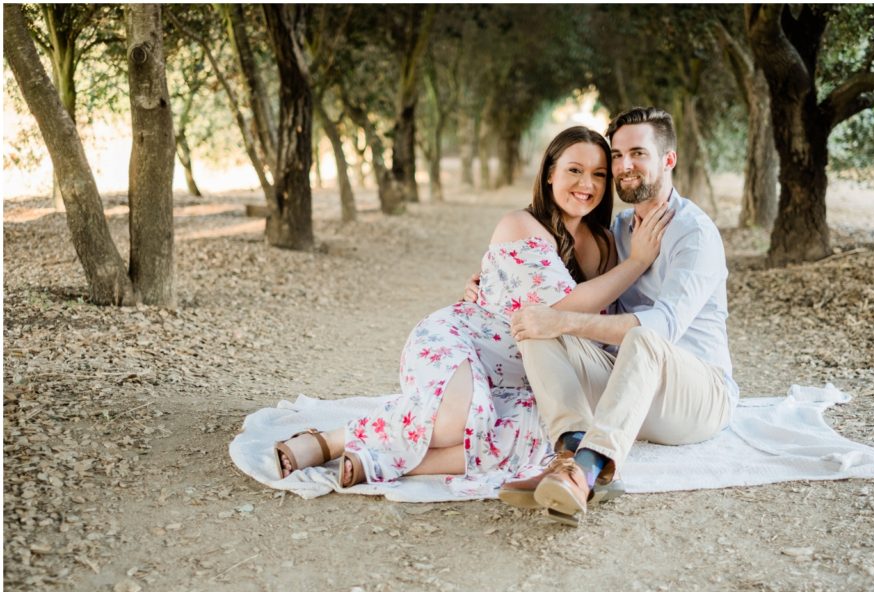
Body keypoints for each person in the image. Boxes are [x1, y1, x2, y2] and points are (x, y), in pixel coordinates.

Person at [275, 126, 673, 489]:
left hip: (523, 377)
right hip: (459, 342)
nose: (587, 184)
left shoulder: (603, 244)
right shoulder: (520, 225)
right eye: (574, 170)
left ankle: (377, 459)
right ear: (549, 173)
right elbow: (562, 310)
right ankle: (329, 440)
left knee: (539, 435)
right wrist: (635, 263)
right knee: (453, 423)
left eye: (599, 174)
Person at [495, 106, 738, 526]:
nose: (625, 165)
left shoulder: (695, 234)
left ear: (668, 160)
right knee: (537, 323)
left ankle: (590, 471)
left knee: (642, 335)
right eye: (618, 155)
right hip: (631, 393)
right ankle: (569, 453)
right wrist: (486, 281)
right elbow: (568, 291)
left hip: (698, 396)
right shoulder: (620, 230)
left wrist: (565, 322)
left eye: (638, 153)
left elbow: (661, 328)